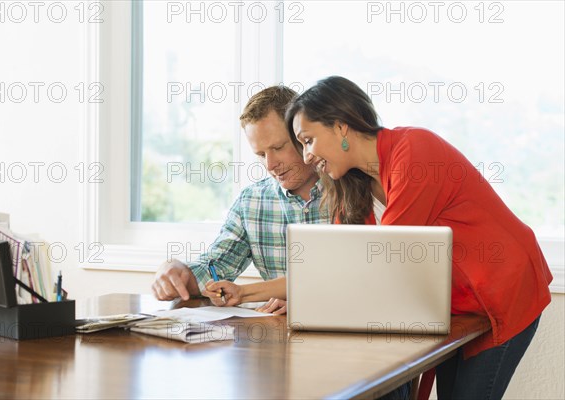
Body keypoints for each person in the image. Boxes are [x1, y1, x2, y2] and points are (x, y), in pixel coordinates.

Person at [284, 76, 553, 399]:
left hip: (502, 287)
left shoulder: (415, 151)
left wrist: (306, 291)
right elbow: (344, 262)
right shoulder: (353, 188)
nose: (306, 156)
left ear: (341, 127)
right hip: (457, 307)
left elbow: (382, 262)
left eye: (308, 140)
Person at [151, 86, 329, 312]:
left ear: (302, 135)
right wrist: (177, 269)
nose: (270, 165)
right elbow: (217, 266)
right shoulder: (252, 202)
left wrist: (304, 299)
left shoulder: (351, 191)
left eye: (278, 147)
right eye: (261, 154)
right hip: (276, 337)